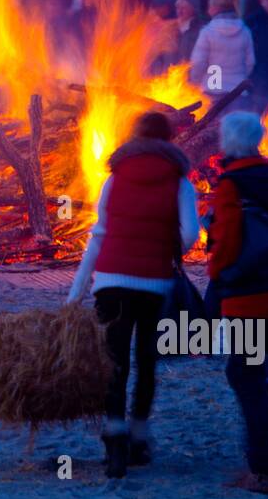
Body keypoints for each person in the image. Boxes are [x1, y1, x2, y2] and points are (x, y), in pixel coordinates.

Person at [67, 111, 200, 478]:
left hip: (110, 281)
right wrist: (167, 248)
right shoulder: (180, 182)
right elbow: (191, 234)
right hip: (154, 284)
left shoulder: (113, 178)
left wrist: (77, 290)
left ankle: (115, 445)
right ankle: (140, 438)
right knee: (146, 361)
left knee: (115, 360)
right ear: (169, 141)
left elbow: (99, 233)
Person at [207, 112, 268, 495]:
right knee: (254, 375)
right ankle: (261, 459)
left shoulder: (231, 184)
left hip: (245, 301)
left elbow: (226, 241)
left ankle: (262, 470)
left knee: (246, 379)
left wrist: (216, 271)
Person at [189, 0, 255, 100]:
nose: (208, 9)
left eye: (210, 6)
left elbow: (198, 62)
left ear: (216, 8)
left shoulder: (207, 31)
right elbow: (250, 62)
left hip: (212, 90)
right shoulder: (245, 31)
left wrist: (195, 81)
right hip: (238, 91)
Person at [171, 0, 203, 64]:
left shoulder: (200, 30)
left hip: (189, 71)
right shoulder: (170, 27)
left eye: (183, 8)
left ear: (193, 10)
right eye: (177, 8)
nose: (179, 11)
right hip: (167, 72)